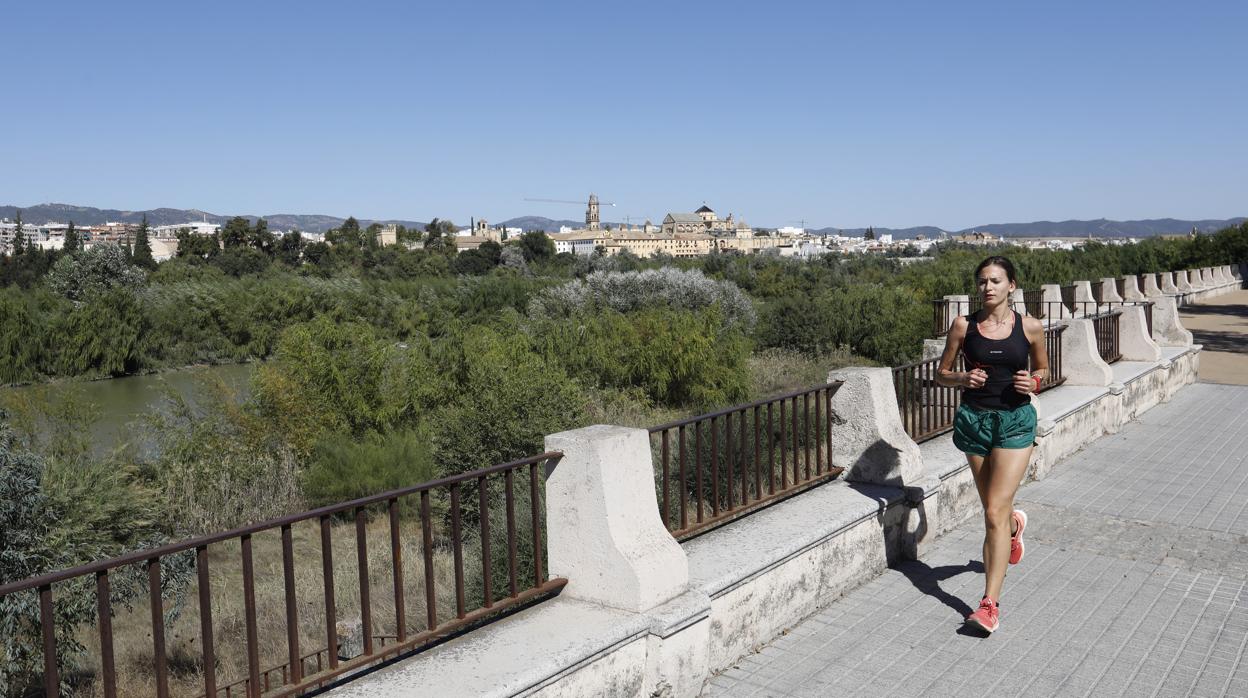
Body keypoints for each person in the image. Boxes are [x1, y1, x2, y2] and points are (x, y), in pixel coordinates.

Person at [935, 256, 1048, 634]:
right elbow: (942, 374)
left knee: (992, 511)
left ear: (1011, 285)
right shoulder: (963, 326)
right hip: (975, 422)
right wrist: (962, 378)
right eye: (982, 281)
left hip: (1016, 422)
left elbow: (1043, 369)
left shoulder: (1030, 327)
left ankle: (989, 605)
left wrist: (1033, 383)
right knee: (994, 510)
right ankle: (1014, 527)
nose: (988, 287)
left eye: (996, 281)